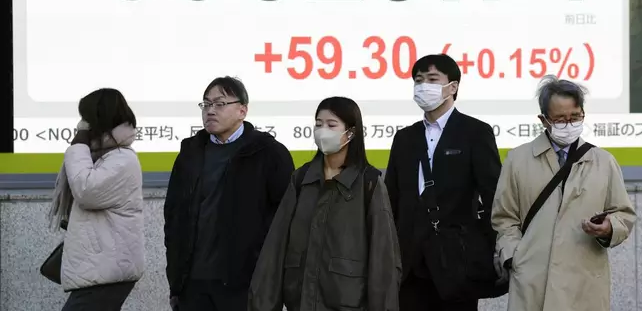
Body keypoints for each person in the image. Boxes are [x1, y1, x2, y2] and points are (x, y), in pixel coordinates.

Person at [491, 75, 637, 311]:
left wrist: (609, 228)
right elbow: (504, 218)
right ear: (543, 119)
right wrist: (514, 257)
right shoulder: (517, 160)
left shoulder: (603, 161)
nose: (568, 124)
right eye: (560, 119)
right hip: (532, 281)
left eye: (575, 117)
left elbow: (624, 214)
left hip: (584, 282)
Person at [249, 96, 402, 311]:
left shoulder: (369, 184)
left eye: (331, 125)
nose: (323, 131)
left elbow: (383, 259)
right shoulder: (301, 179)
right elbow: (275, 248)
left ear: (351, 132)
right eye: (318, 124)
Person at [164, 76, 294, 311]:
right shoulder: (190, 154)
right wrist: (175, 280)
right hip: (193, 284)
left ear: (242, 110)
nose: (210, 111)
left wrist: (266, 276)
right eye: (206, 104)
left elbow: (284, 220)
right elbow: (173, 215)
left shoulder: (268, 153)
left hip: (243, 285)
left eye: (220, 104)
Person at [384, 54, 503, 311]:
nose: (423, 85)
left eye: (432, 79)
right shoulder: (404, 138)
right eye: (418, 80)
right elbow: (391, 199)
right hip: (409, 263)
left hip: (455, 261)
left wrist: (491, 247)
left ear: (453, 86)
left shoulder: (475, 132)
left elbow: (494, 194)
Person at [48, 88, 145, 311]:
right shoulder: (106, 155)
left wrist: (78, 145)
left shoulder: (122, 159)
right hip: (100, 267)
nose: (81, 124)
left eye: (86, 118)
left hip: (107, 271)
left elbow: (86, 191)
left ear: (97, 120)